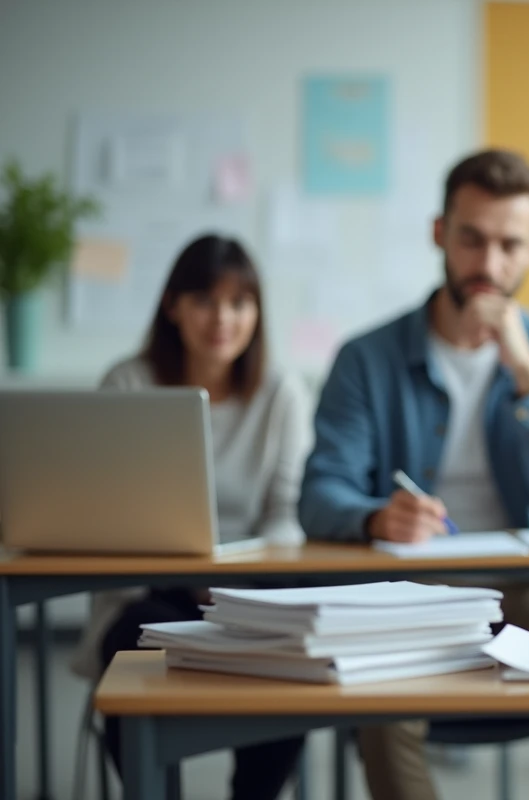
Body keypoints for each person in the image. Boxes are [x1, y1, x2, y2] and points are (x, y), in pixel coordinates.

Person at [299, 149, 529, 800]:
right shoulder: (368, 357)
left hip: (527, 591)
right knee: (383, 704)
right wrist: (376, 515)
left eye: (509, 245)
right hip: (412, 590)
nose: (489, 265)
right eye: (471, 239)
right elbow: (320, 492)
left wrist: (527, 374)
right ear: (440, 233)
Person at [71, 234, 311, 799]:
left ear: (257, 311)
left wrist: (228, 578)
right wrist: (189, 573)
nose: (222, 319)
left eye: (239, 303)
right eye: (204, 300)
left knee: (298, 663)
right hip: (146, 590)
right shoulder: (128, 382)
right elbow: (106, 508)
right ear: (172, 305)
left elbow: (286, 515)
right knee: (132, 646)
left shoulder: (282, 392)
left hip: (250, 590)